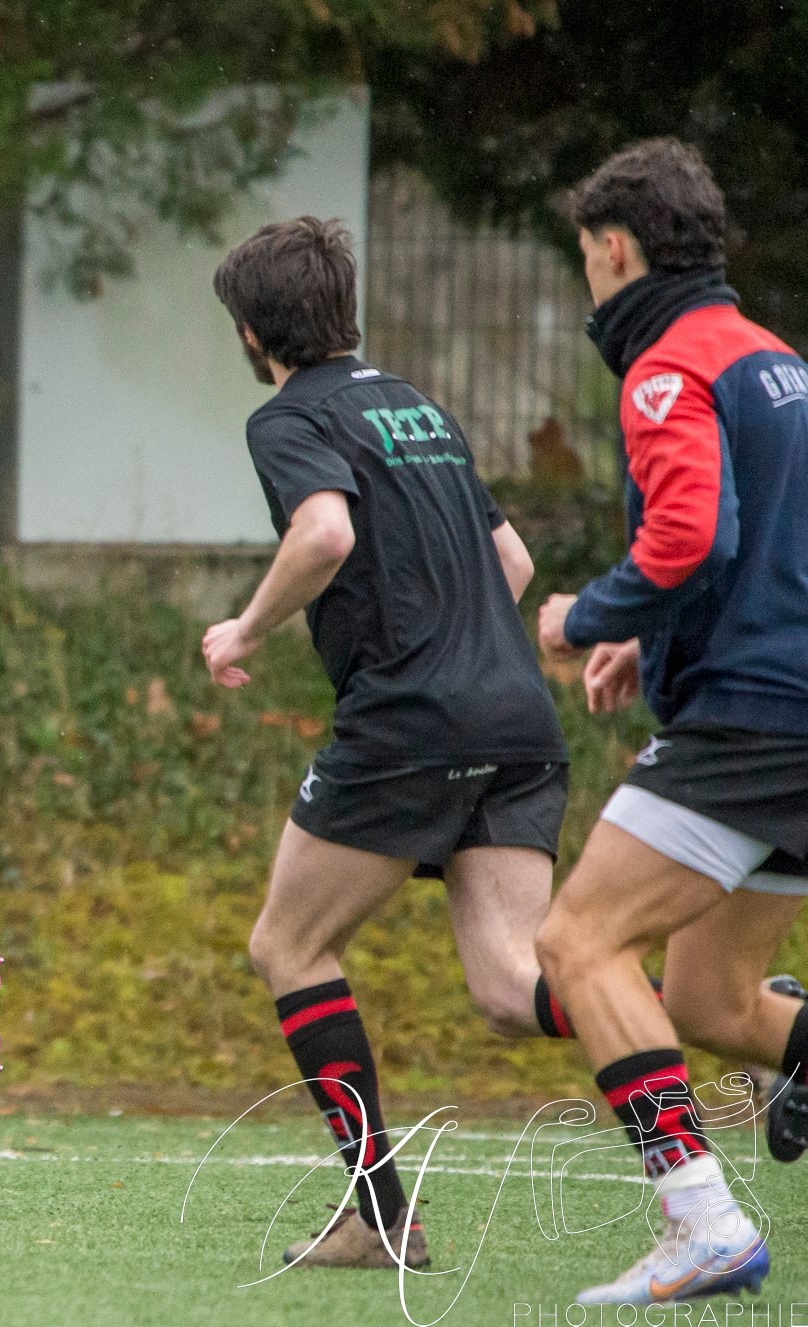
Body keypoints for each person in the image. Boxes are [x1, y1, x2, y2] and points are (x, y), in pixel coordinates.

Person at [203, 217, 576, 1272]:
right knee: (515, 986)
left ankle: (377, 1216)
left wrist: (241, 629)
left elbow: (322, 533)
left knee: (286, 946)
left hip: (408, 722)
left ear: (248, 329)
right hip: (514, 714)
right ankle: (745, 1020)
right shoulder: (416, 404)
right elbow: (512, 564)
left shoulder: (287, 417)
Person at [534, 137, 808, 1306]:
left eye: (584, 262)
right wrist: (648, 636)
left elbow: (691, 533)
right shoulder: (776, 361)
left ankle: (699, 1219)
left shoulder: (662, 366)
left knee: (575, 943)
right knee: (706, 1000)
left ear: (611, 249)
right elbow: (761, 546)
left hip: (751, 722)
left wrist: (582, 612)